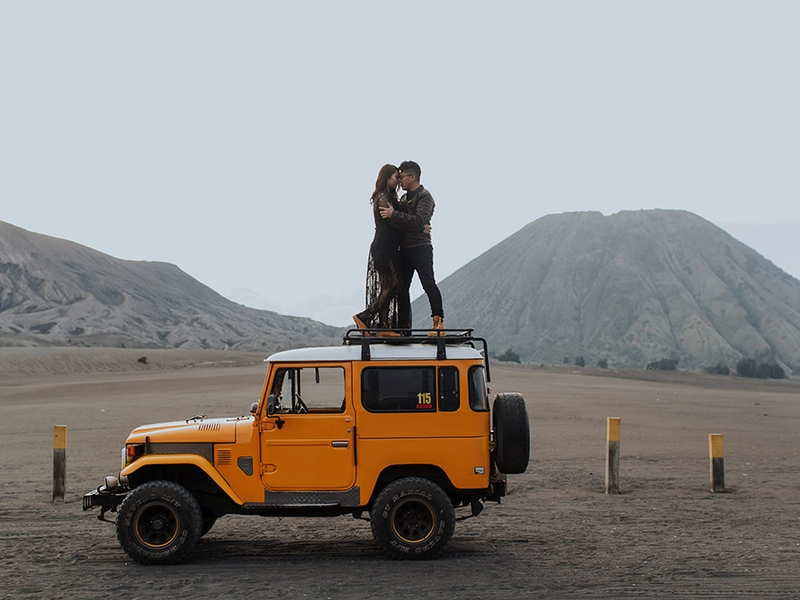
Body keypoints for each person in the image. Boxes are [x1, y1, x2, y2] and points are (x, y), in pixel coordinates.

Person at [379, 160, 444, 333]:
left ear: (412, 176)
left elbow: (418, 220)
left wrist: (396, 214)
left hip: (421, 248)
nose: (399, 181)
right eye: (398, 177)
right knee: (402, 288)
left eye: (402, 177)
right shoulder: (405, 198)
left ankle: (438, 324)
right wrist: (417, 226)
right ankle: (404, 327)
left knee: (428, 284)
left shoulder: (425, 196)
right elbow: (407, 224)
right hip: (405, 249)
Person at [352, 164, 406, 336]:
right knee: (391, 286)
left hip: (387, 246)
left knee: (388, 287)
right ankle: (366, 316)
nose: (397, 180)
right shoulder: (383, 197)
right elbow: (393, 223)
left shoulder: (387, 197)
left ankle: (383, 326)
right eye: (395, 176)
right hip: (384, 246)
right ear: (386, 177)